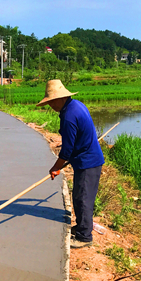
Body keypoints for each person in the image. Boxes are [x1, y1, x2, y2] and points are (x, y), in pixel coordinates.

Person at [38, 80, 105, 249]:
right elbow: (75, 142)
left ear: (61, 98)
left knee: (83, 198)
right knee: (80, 196)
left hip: (88, 162)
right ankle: (83, 226)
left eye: (52, 101)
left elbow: (67, 151)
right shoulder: (76, 105)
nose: (51, 105)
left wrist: (56, 167)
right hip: (87, 159)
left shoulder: (69, 116)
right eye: (49, 102)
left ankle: (84, 236)